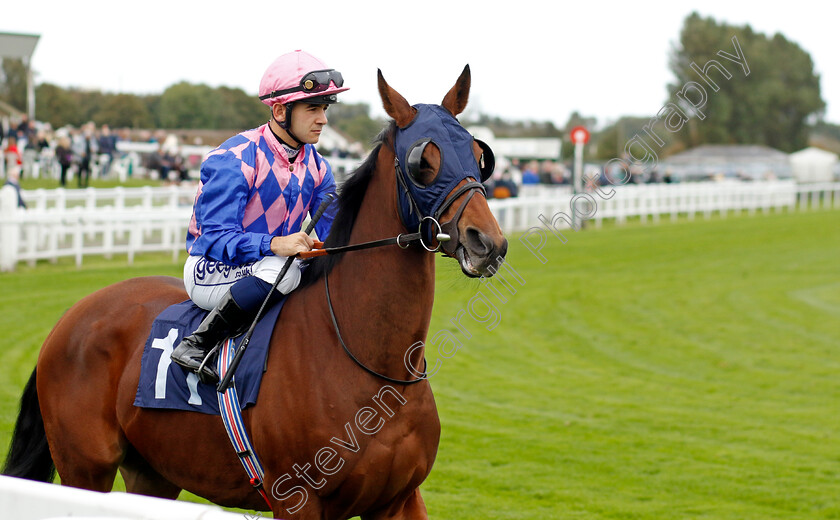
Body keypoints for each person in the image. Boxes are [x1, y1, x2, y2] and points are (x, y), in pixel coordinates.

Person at [170, 50, 346, 383]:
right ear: (281, 110)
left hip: (269, 265)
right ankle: (196, 344)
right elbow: (214, 238)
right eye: (313, 108)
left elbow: (334, 234)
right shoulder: (234, 157)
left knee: (308, 269)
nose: (323, 119)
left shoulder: (318, 166)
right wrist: (276, 244)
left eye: (324, 109)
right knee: (286, 270)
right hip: (210, 267)